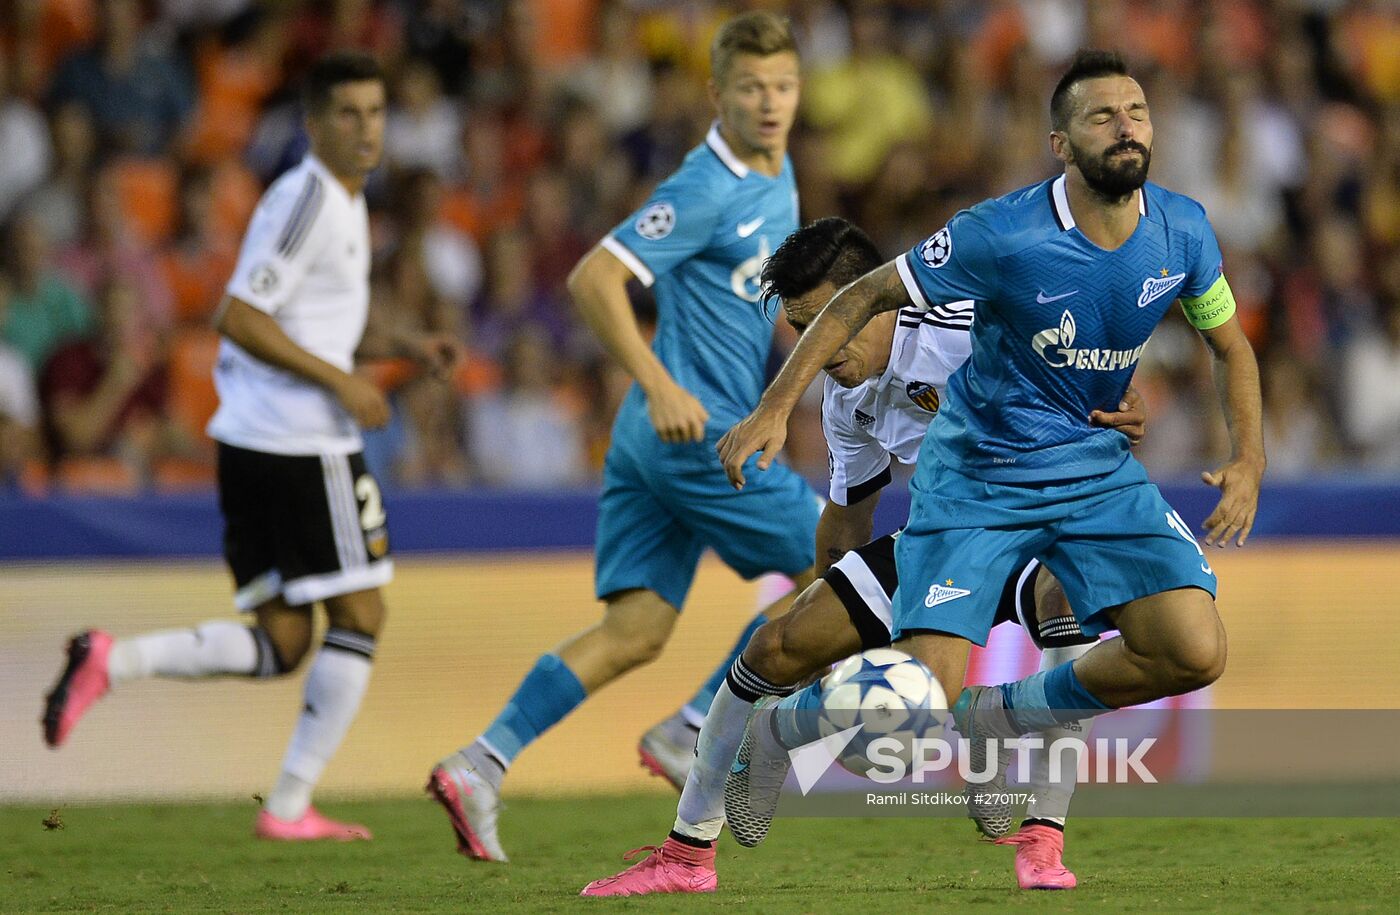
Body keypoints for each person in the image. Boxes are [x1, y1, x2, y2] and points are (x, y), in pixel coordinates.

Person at [718, 49, 1263, 888]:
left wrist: (1248, 458)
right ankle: (784, 730)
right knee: (905, 710)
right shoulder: (999, 235)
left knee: (1194, 648)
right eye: (1102, 116)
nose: (1126, 128)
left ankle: (1001, 721)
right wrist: (772, 406)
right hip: (978, 481)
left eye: (1138, 112)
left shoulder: (1183, 230)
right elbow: (861, 294)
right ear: (1060, 142)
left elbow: (1229, 345)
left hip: (1090, 471)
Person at [580, 217, 1146, 896]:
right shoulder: (845, 396)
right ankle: (690, 849)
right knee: (775, 649)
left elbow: (1078, 343)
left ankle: (1042, 836)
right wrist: (827, 624)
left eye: (826, 321)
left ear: (876, 299)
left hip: (1041, 520)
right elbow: (847, 524)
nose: (814, 346)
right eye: (799, 329)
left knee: (1066, 596)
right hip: (949, 539)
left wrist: (1113, 397)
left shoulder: (965, 324)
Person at [425, 11, 821, 864]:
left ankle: (479, 763)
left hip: (663, 439)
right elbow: (593, 278)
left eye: (783, 86)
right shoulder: (704, 186)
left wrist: (775, 399)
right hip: (690, 432)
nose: (770, 103)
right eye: (751, 88)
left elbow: (749, 301)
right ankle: (693, 727)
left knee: (636, 629)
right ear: (715, 94)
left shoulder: (778, 168)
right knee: (845, 560)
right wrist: (660, 379)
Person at [41, 51, 459, 842]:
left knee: (284, 639)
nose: (367, 128)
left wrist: (404, 343)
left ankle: (108, 659)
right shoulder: (311, 200)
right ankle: (292, 804)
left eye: (376, 112)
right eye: (348, 113)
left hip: (250, 441)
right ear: (312, 123)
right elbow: (240, 316)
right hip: (300, 440)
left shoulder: (339, 204)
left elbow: (315, 322)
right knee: (361, 610)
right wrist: (341, 385)